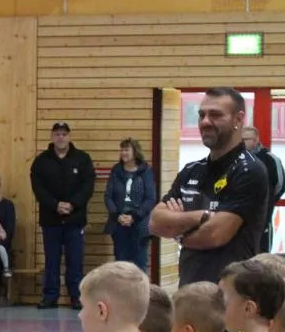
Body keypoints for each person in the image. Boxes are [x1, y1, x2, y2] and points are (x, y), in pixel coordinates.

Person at [149, 88, 269, 289]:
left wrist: (177, 230)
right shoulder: (191, 171)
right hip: (189, 289)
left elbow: (215, 235)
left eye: (215, 115)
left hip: (232, 295)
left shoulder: (250, 170)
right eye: (201, 115)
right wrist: (200, 217)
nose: (205, 121)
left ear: (238, 119)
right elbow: (155, 222)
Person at [30, 122, 95, 309]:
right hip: (50, 219)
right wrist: (55, 205)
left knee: (75, 261)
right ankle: (50, 296)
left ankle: (76, 297)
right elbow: (38, 188)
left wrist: (72, 204)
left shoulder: (82, 159)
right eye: (57, 134)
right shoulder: (41, 161)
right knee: (51, 261)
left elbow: (88, 186)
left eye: (64, 134)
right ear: (52, 136)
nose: (61, 137)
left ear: (69, 136)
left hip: (75, 220)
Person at [103, 138, 156, 272]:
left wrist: (134, 217)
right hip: (119, 223)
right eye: (121, 150)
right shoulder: (116, 170)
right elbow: (108, 196)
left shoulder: (146, 170)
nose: (123, 153)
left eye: (126, 150)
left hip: (139, 224)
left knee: (140, 265)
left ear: (135, 151)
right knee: (121, 264)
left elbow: (150, 198)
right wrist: (117, 215)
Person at [240, 127, 285, 253]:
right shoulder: (235, 158)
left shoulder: (270, 159)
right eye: (240, 140)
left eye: (245, 139)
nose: (242, 143)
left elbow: (281, 185)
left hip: (263, 222)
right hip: (238, 224)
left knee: (261, 259)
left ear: (256, 140)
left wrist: (267, 201)